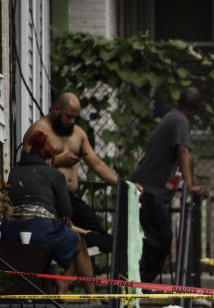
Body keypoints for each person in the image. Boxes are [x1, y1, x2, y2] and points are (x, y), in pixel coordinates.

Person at [23, 93, 135, 254]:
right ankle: (64, 274)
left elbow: (97, 164)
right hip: (49, 198)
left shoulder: (78, 134)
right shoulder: (39, 131)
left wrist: (125, 186)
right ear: (57, 109)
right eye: (68, 116)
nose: (71, 121)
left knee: (104, 240)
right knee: (65, 238)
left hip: (71, 198)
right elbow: (27, 166)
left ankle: (70, 275)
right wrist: (60, 160)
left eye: (75, 117)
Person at [1, 130, 97, 296]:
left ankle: (49, 293)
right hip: (40, 230)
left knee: (44, 251)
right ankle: (88, 296)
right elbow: (67, 212)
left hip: (10, 233)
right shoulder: (54, 174)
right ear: (50, 160)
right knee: (78, 243)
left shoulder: (14, 172)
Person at [130, 87, 209, 283]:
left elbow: (186, 155)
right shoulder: (181, 122)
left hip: (147, 188)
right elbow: (183, 150)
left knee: (152, 239)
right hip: (150, 191)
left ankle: (140, 282)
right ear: (195, 109)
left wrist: (191, 177)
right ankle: (142, 283)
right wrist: (191, 186)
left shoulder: (171, 118)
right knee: (161, 239)